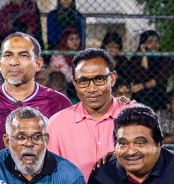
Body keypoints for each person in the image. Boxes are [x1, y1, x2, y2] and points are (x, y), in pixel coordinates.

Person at [46, 48, 128, 177]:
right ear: (74, 82)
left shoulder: (135, 117)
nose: (91, 88)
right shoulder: (57, 124)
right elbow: (52, 177)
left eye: (99, 79)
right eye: (83, 81)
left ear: (112, 78)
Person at [117, 31, 172, 110]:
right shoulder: (136, 59)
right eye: (149, 42)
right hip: (140, 95)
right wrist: (144, 55)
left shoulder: (164, 58)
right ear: (143, 45)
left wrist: (142, 85)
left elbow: (159, 79)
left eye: (156, 41)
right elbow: (139, 76)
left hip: (158, 93)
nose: (154, 45)